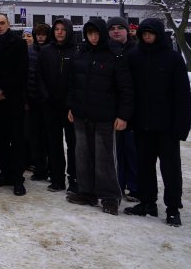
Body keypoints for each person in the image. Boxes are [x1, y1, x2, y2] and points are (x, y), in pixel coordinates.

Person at [124, 19, 191, 227]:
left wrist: (182, 126)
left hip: (167, 126)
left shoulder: (172, 58)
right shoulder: (134, 56)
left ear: (159, 34)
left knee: (170, 169)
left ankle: (173, 208)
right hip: (142, 124)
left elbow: (182, 95)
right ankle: (147, 202)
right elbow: (129, 90)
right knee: (145, 166)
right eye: (144, 33)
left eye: (151, 33)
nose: (147, 37)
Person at [66, 19, 134, 215]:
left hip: (105, 116)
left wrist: (123, 115)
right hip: (81, 114)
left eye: (96, 33)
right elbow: (73, 84)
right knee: (82, 155)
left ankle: (110, 197)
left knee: (104, 158)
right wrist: (71, 106)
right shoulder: (81, 52)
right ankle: (87, 192)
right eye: (90, 34)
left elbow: (125, 88)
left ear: (102, 33)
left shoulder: (115, 54)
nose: (93, 37)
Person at [0, 13, 29, 196]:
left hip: (14, 98)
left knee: (17, 140)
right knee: (0, 139)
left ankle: (18, 178)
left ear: (8, 24)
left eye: (2, 23)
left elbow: (22, 71)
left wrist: (6, 90)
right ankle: (5, 173)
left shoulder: (19, 43)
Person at [36, 19, 78, 193]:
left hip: (69, 107)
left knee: (73, 144)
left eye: (63, 29)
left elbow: (77, 80)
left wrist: (71, 102)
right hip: (50, 104)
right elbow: (39, 76)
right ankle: (57, 178)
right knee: (54, 144)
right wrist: (46, 96)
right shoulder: (46, 51)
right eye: (57, 29)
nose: (60, 32)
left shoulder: (76, 51)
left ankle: (74, 179)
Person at [107, 16, 139, 201]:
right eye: (112, 28)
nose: (116, 31)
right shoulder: (106, 51)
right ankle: (117, 185)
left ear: (127, 30)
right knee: (115, 152)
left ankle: (134, 187)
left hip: (133, 110)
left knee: (132, 151)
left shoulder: (136, 51)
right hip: (111, 109)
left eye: (120, 28)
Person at [26, 23, 51, 182]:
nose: (41, 37)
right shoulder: (29, 52)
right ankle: (39, 168)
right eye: (38, 34)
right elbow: (27, 75)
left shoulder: (52, 51)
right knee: (35, 137)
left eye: (44, 34)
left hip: (49, 101)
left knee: (50, 138)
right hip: (33, 99)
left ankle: (52, 169)